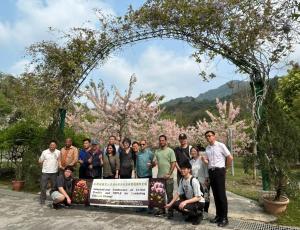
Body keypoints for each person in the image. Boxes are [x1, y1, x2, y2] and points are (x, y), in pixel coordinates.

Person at [202, 130, 233, 227]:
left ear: (214, 136)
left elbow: (230, 157)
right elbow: (209, 163)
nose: (208, 138)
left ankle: (224, 218)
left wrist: (225, 169)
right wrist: (205, 161)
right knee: (215, 195)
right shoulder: (207, 148)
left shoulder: (220, 145)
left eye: (210, 136)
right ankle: (218, 216)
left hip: (220, 171)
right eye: (206, 136)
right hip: (211, 172)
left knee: (221, 195)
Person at [154, 135, 176, 219]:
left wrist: (169, 174)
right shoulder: (157, 151)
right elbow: (154, 162)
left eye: (163, 140)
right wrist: (151, 164)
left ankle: (170, 212)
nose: (161, 142)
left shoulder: (170, 151)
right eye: (160, 140)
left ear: (166, 141)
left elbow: (173, 163)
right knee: (160, 195)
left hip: (168, 178)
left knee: (169, 195)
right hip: (159, 177)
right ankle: (162, 211)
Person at [190, 146, 210, 219]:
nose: (193, 152)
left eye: (194, 151)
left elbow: (205, 169)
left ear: (197, 152)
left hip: (203, 180)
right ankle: (199, 211)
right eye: (191, 151)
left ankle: (206, 212)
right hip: (195, 181)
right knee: (197, 196)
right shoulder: (191, 161)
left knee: (206, 197)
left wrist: (207, 179)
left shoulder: (201, 159)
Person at [38, 140, 60, 205]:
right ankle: (42, 199)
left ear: (56, 146)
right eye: (51, 145)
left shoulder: (58, 152)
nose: (52, 146)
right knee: (43, 186)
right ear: (49, 145)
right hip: (45, 172)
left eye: (53, 145)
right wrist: (43, 167)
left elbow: (60, 161)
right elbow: (40, 161)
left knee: (54, 187)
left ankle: (54, 200)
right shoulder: (44, 152)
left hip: (54, 172)